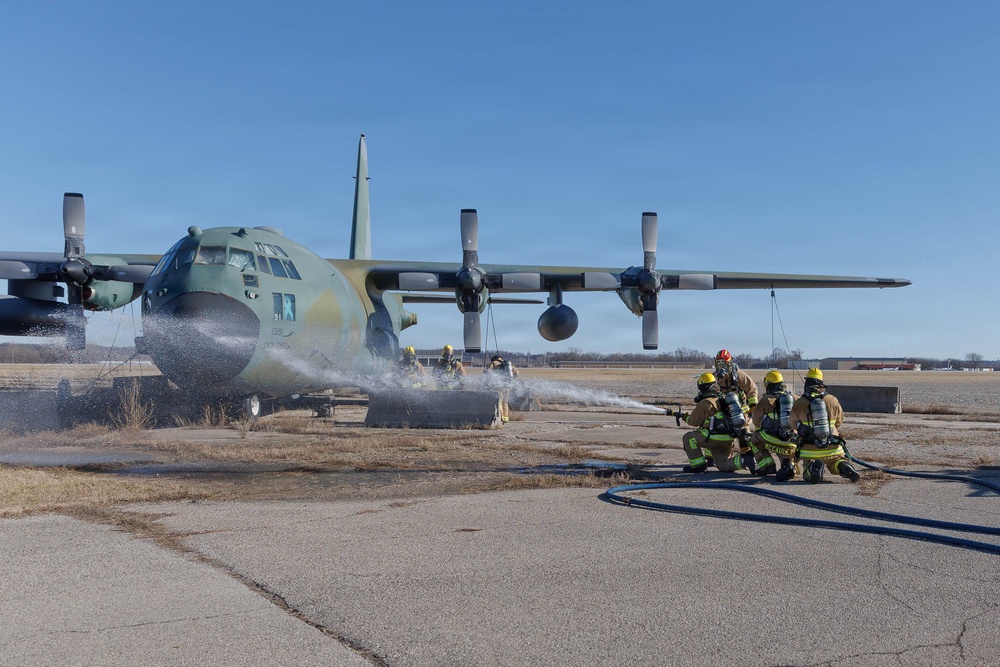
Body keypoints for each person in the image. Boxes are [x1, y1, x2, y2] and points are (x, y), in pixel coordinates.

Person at [789, 368, 861, 483]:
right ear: (821, 383)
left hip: (809, 449)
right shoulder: (832, 399)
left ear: (807, 383)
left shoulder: (799, 403)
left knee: (807, 472)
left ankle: (812, 469)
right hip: (832, 447)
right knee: (836, 462)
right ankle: (843, 466)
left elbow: (792, 423)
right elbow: (839, 422)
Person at [681, 372, 755, 474]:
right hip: (727, 439)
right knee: (723, 466)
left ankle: (698, 466)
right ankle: (744, 459)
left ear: (703, 388)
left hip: (713, 438)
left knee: (688, 438)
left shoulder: (705, 403)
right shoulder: (724, 400)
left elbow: (693, 421)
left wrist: (684, 416)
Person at [748, 370, 798, 479]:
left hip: (772, 439)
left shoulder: (765, 400)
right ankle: (790, 467)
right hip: (792, 442)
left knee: (753, 440)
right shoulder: (794, 398)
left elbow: (756, 421)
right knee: (788, 463)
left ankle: (767, 466)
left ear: (769, 385)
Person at [713, 349, 759, 456]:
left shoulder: (738, 375)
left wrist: (752, 406)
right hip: (724, 411)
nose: (721, 368)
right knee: (722, 433)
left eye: (723, 364)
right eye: (719, 364)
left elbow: (752, 389)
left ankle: (747, 455)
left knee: (743, 435)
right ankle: (721, 456)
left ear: (729, 364)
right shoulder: (714, 378)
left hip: (742, 411)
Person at [484, 354, 519, 422]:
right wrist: (513, 381)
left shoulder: (493, 363)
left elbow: (487, 372)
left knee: (499, 401)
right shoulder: (507, 364)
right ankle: (505, 418)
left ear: (494, 359)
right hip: (507, 387)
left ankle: (501, 416)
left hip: (498, 387)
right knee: (505, 402)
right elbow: (517, 373)